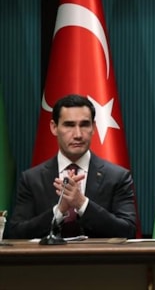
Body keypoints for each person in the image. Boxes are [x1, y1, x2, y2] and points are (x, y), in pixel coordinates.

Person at [5, 94, 137, 239]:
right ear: (54, 127)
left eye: (84, 125)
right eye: (69, 125)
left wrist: (82, 204)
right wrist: (59, 211)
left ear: (93, 128)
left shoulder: (118, 177)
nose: (78, 134)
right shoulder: (32, 179)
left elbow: (128, 231)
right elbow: (17, 233)